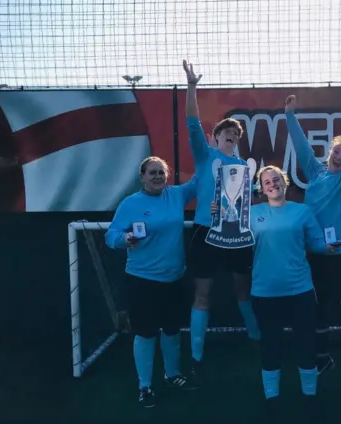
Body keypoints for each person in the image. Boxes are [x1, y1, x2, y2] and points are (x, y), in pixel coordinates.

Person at [284, 94, 341, 388]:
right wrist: (289, 114)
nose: (340, 157)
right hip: (312, 254)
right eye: (337, 152)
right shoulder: (315, 172)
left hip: (340, 255)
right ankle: (322, 358)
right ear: (329, 154)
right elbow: (300, 147)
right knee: (318, 310)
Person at [182, 59, 260, 384]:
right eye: (225, 132)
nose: (230, 136)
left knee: (244, 292)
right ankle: (196, 357)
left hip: (238, 237)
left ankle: (259, 343)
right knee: (203, 294)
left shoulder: (245, 167)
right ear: (214, 138)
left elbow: (249, 204)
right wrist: (191, 87)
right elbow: (191, 124)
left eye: (234, 134)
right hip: (205, 234)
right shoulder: (205, 156)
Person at [249, 166, 341, 418]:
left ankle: (310, 397)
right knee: (270, 346)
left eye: (276, 179)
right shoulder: (250, 214)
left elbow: (315, 244)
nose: (272, 184)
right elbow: (232, 239)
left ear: (285, 182)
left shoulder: (301, 212)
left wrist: (328, 247)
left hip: (299, 290)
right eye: (267, 181)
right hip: (264, 292)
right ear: (261, 188)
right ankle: (272, 399)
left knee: (306, 344)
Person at [105, 156, 198, 408]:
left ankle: (173, 375)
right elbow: (110, 235)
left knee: (171, 330)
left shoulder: (176, 195)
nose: (157, 176)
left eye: (161, 172)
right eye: (152, 173)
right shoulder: (130, 203)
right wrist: (124, 239)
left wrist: (211, 151)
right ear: (142, 177)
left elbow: (201, 179)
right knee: (145, 333)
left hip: (175, 279)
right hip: (142, 281)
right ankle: (144, 386)